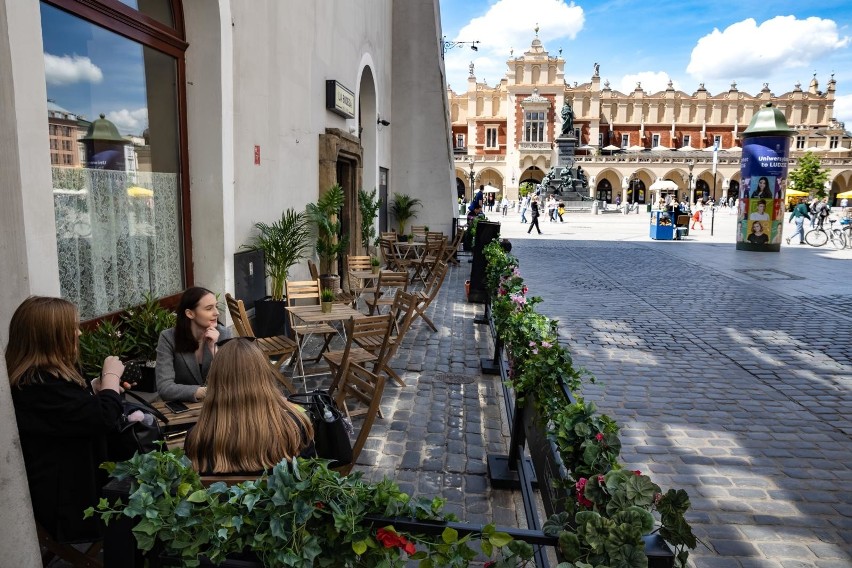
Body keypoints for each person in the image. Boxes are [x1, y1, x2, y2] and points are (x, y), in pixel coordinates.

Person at [7, 296, 125, 542]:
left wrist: (97, 389)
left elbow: (73, 414)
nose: (79, 333)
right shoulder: (37, 384)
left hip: (78, 488)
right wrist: (111, 378)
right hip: (70, 504)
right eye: (71, 328)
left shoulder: (43, 379)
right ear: (49, 337)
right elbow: (103, 418)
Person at [184, 338, 315, 474]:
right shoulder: (294, 428)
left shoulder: (197, 438)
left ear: (215, 381)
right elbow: (309, 481)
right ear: (264, 377)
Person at [156, 286, 231, 402]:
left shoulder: (224, 334)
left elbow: (232, 380)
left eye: (216, 307)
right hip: (184, 409)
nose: (216, 313)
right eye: (209, 308)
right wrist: (205, 392)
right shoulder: (168, 338)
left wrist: (214, 349)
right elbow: (164, 387)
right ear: (190, 314)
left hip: (219, 407)